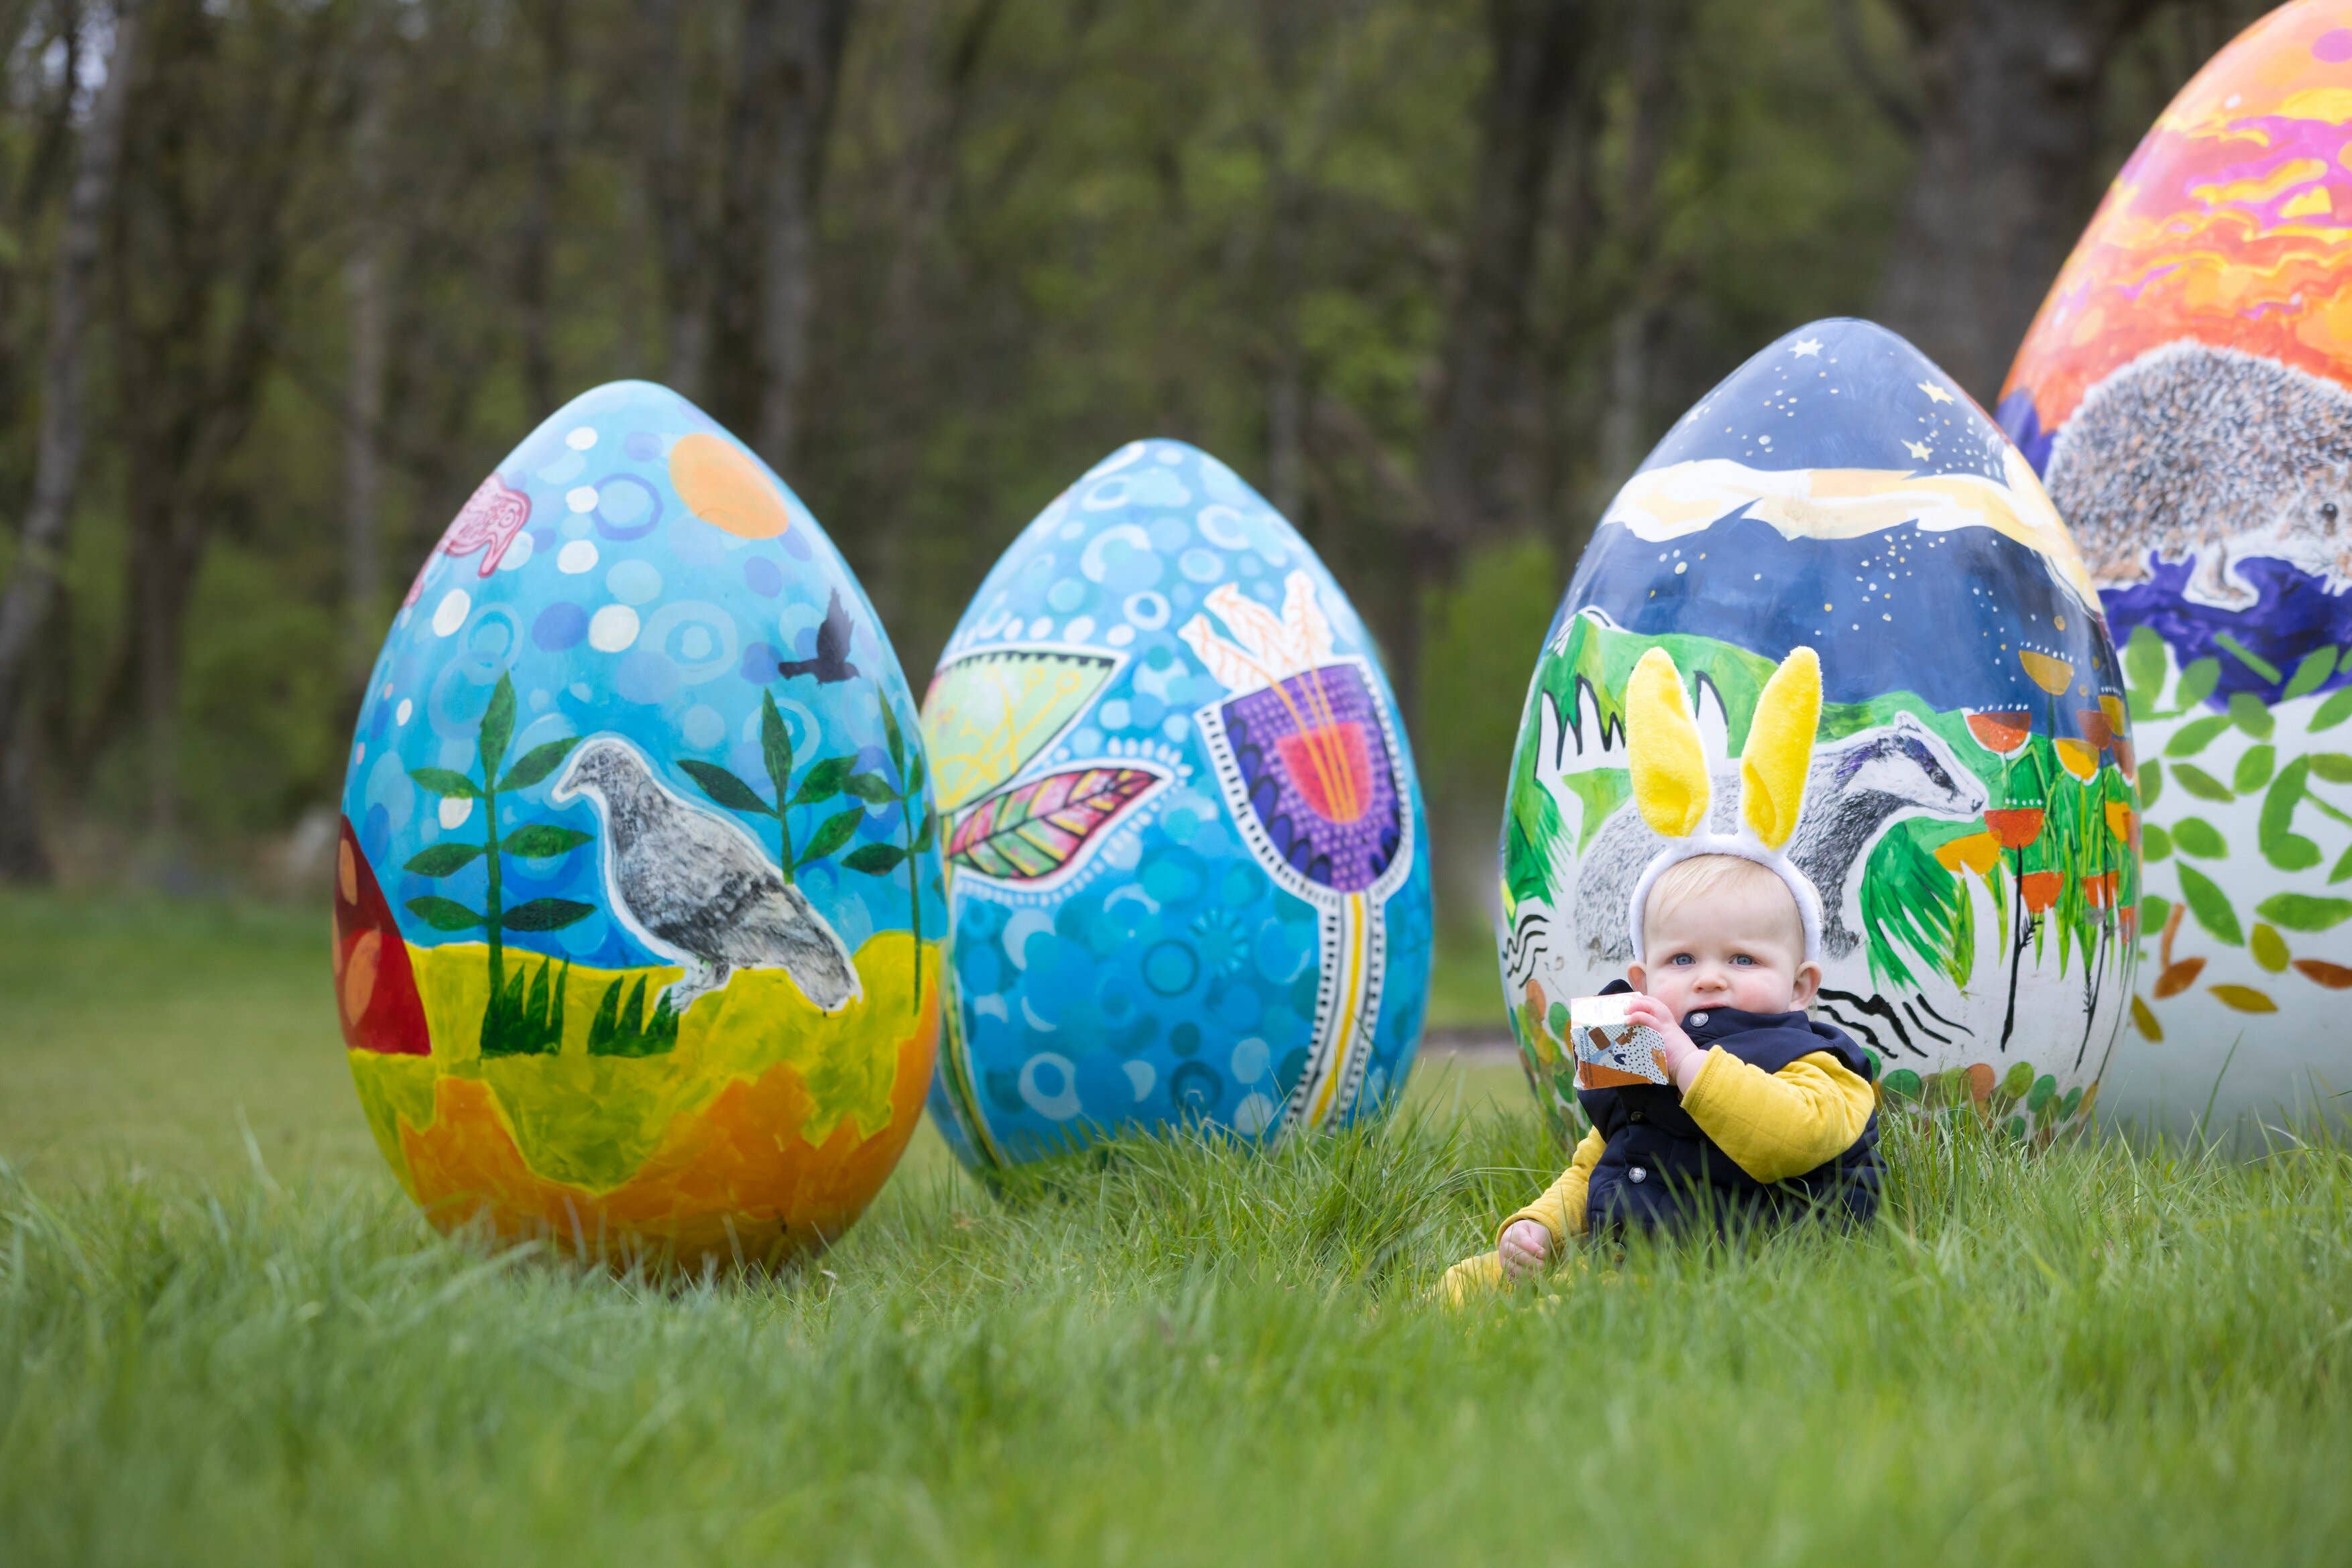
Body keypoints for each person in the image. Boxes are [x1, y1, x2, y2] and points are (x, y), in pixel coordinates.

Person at [1443, 643, 1882, 1301]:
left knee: (1575, 1309)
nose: (1709, 978)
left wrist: (1689, 1064)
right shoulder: (1634, 1039)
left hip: (1736, 1261)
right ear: (1642, 980)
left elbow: (1787, 1138)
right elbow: (1599, 1157)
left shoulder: (1819, 1064)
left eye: (1742, 958)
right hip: (1635, 1247)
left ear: (1801, 987)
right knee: (1466, 1283)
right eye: (1682, 959)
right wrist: (1539, 1226)